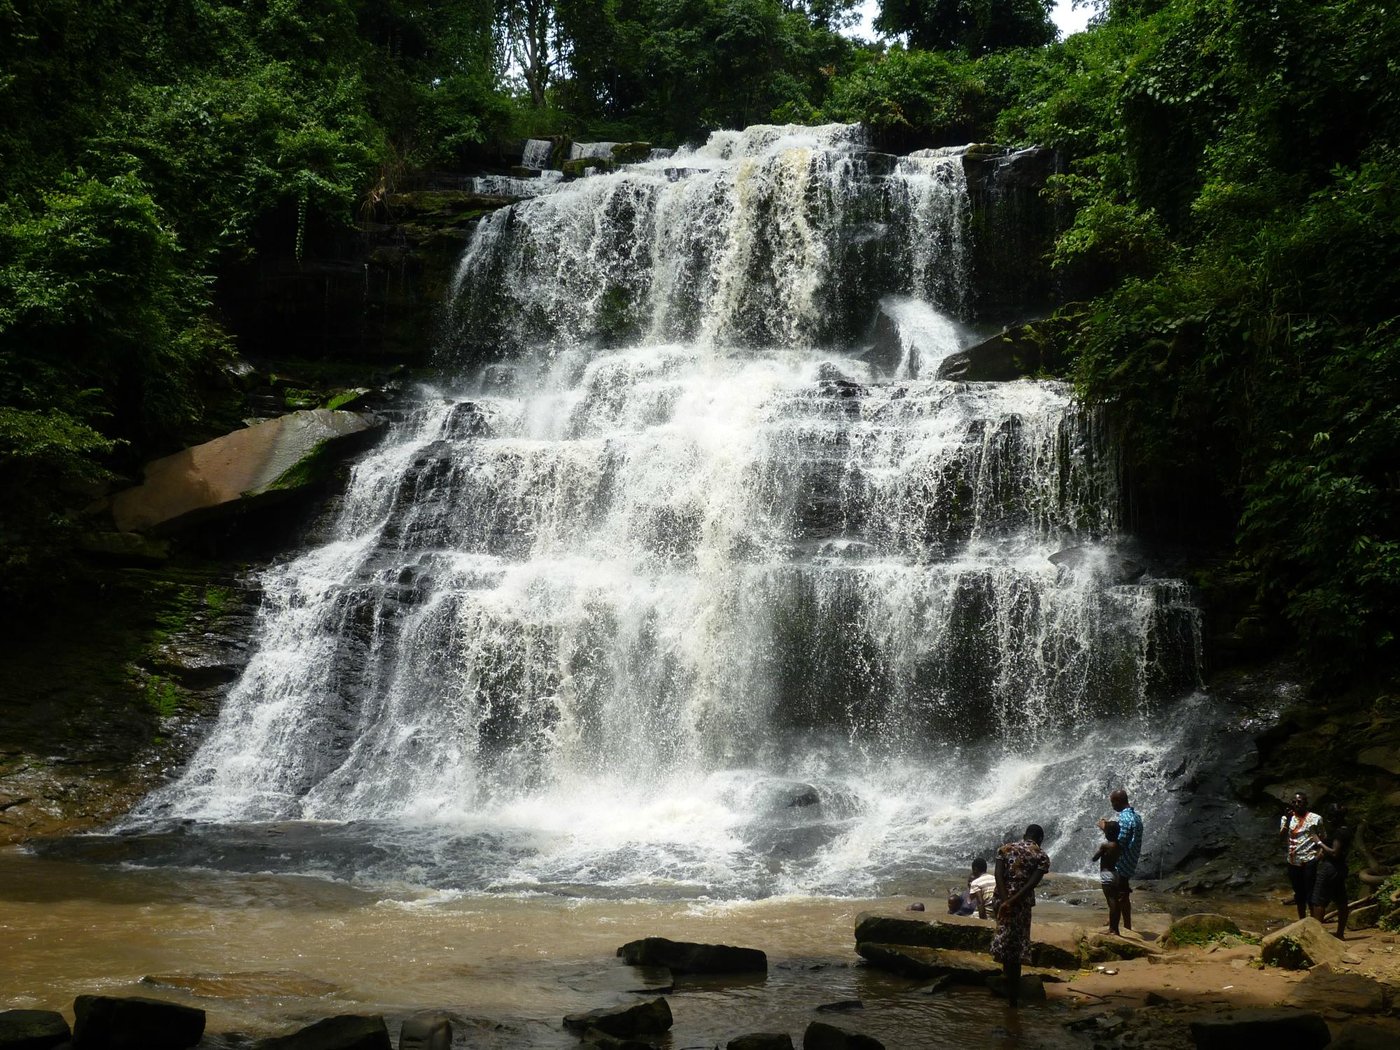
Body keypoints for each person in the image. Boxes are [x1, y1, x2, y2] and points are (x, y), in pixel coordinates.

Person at [991, 824, 1051, 1008]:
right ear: (1040, 839)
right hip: (1020, 903)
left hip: (1000, 900)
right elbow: (1032, 884)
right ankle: (1012, 999)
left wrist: (1004, 900)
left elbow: (998, 875)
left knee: (1005, 938)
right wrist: (1013, 901)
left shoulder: (1005, 848)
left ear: (1024, 835)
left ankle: (1005, 983)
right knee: (1016, 946)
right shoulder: (1041, 856)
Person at [1097, 789, 1142, 931]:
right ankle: (1125, 924)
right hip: (1131, 859)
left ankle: (1116, 926)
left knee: (1118, 895)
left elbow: (1118, 843)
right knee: (1123, 893)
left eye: (1112, 802)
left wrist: (1104, 828)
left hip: (1122, 861)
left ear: (1117, 801)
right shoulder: (1136, 817)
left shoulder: (1124, 818)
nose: (1112, 805)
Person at [1310, 802, 1352, 938]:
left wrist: (1318, 841)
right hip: (1340, 868)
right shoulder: (1346, 829)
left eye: (1331, 817)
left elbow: (1334, 852)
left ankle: (1317, 935)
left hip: (1331, 868)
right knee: (1341, 900)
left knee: (1319, 900)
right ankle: (1340, 933)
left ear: (1334, 817)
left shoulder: (1340, 832)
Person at [1280, 790, 1323, 920]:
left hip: (1309, 860)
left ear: (1306, 803)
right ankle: (1302, 921)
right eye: (1294, 802)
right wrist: (1287, 820)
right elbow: (1281, 837)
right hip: (1293, 861)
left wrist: (1318, 857)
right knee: (1299, 894)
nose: (1297, 804)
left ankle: (1313, 923)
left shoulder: (1316, 818)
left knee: (1311, 893)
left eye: (1300, 802)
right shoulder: (1286, 818)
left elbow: (1323, 838)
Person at [1092, 819, 1123, 936]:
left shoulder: (1105, 846)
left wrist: (1097, 854)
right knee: (1114, 901)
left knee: (1111, 901)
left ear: (1107, 833)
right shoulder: (1118, 845)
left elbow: (1095, 858)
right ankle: (1116, 928)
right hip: (1115, 873)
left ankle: (1112, 929)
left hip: (1106, 874)